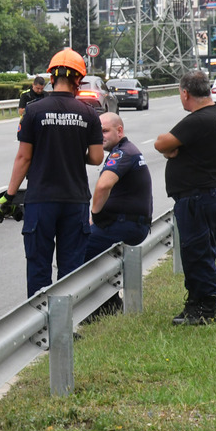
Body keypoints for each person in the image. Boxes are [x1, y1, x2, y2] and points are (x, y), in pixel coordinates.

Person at [0, 49, 104, 297]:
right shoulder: (89, 113)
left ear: (51, 77)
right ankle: (67, 329)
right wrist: (74, 153)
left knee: (38, 267)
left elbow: (24, 157)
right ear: (78, 79)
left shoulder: (34, 111)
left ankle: (40, 329)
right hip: (74, 200)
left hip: (40, 200)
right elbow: (97, 157)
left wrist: (9, 196)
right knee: (71, 269)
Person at [154, 70, 216, 326]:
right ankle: (195, 303)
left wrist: (171, 150)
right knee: (201, 251)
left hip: (197, 198)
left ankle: (206, 308)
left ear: (185, 93)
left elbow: (160, 143)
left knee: (197, 253)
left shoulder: (198, 120)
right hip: (209, 193)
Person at [85, 112, 153, 315]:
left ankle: (100, 308)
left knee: (76, 249)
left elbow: (103, 186)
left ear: (119, 130)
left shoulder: (123, 153)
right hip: (130, 222)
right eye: (98, 132)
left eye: (105, 131)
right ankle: (109, 303)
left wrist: (95, 217)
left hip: (126, 224)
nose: (100, 136)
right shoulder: (126, 151)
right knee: (92, 248)